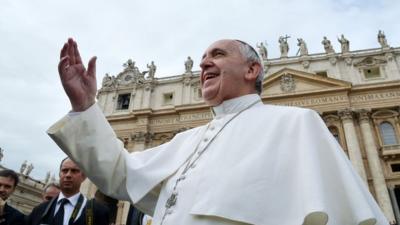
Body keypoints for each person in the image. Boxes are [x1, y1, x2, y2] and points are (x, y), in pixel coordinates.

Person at [48, 38, 390, 225]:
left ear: (252, 69)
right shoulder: (187, 141)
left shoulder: (297, 124)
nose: (204, 64)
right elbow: (120, 175)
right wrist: (85, 108)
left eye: (218, 54)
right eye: (201, 59)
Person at [25, 158, 110, 225]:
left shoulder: (98, 212)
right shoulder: (39, 210)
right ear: (59, 174)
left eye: (74, 171)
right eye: (64, 170)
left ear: (83, 176)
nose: (68, 175)